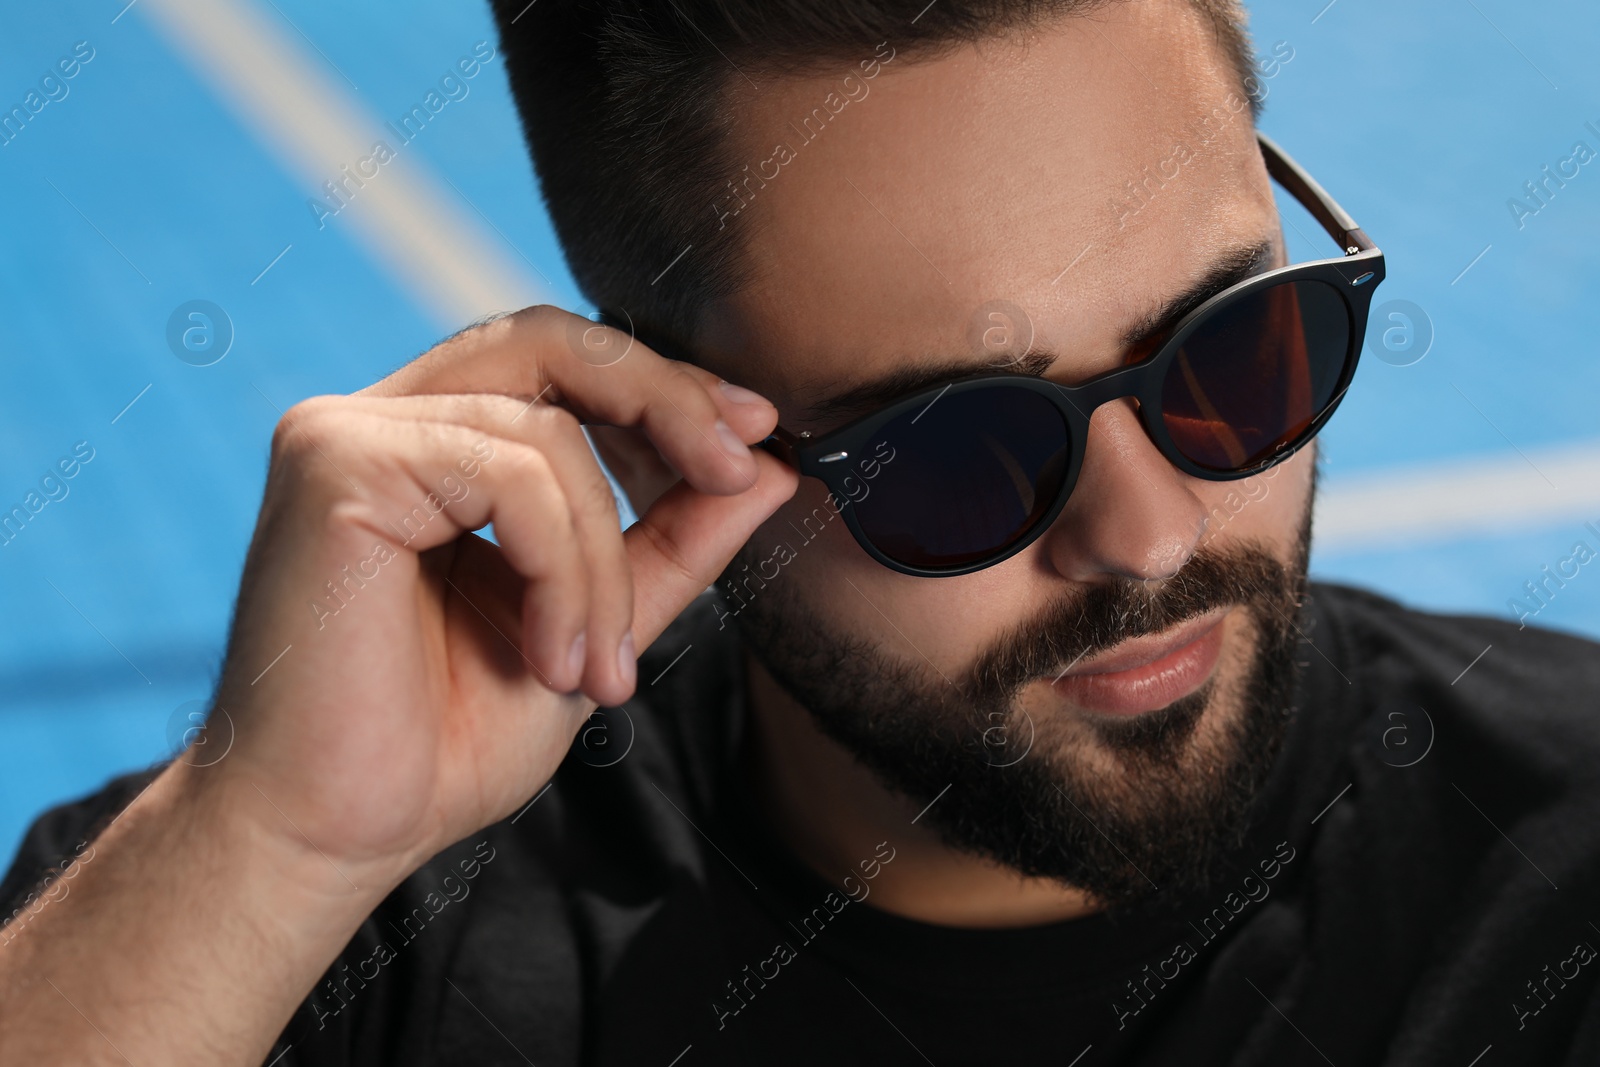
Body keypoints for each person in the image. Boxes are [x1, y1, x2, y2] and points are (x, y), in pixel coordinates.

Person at [3, 0, 1598, 1063]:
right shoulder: (316, 945)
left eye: (1245, 344)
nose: (1153, 532)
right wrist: (271, 854)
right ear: (660, 432)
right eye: (959, 448)